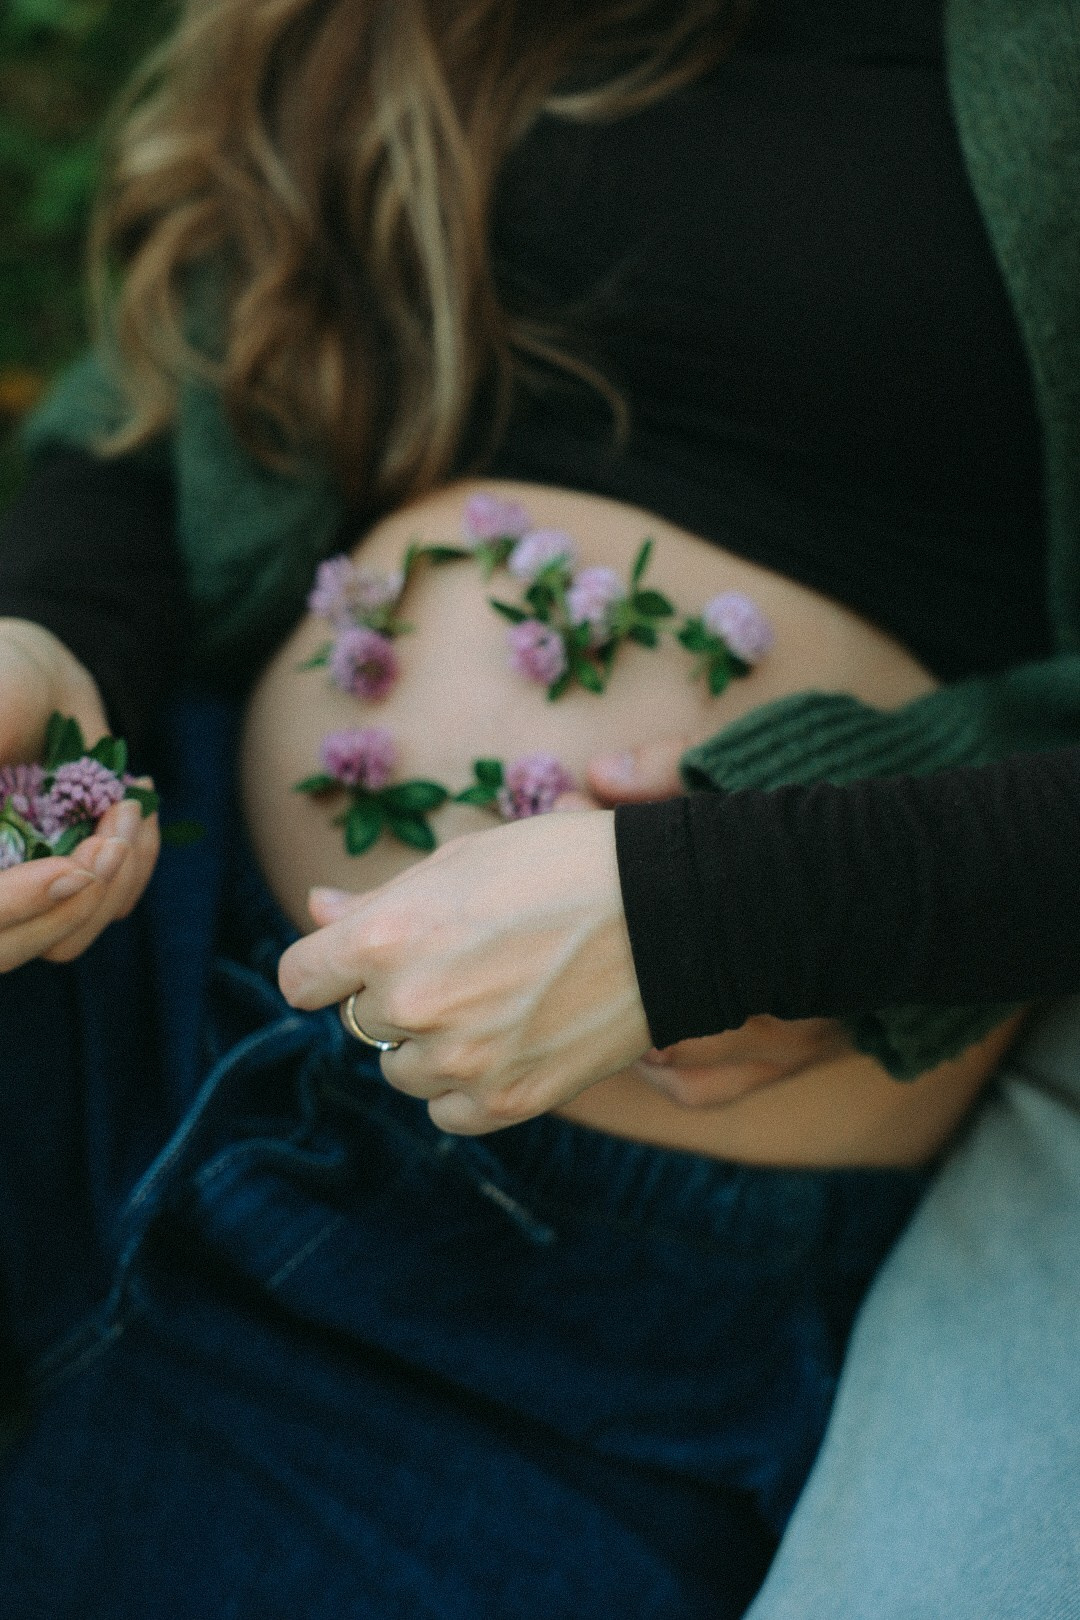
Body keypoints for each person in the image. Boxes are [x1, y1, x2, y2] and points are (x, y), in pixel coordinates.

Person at [1, 0, 1079, 1613]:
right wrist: (53, 634)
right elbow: (161, 394)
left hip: (559, 1277)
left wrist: (738, 908)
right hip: (112, 975)